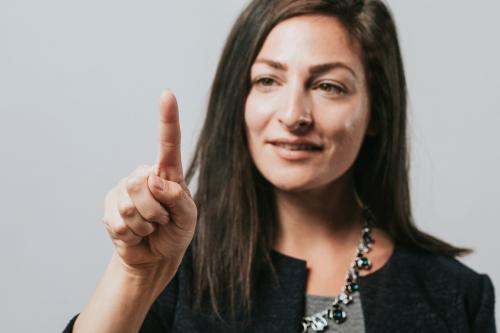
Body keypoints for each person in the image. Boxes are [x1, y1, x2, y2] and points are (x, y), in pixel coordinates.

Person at [64, 0, 496, 332]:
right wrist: (133, 273)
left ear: (376, 114)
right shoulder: (174, 267)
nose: (293, 114)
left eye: (329, 85)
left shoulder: (457, 295)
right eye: (268, 80)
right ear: (241, 98)